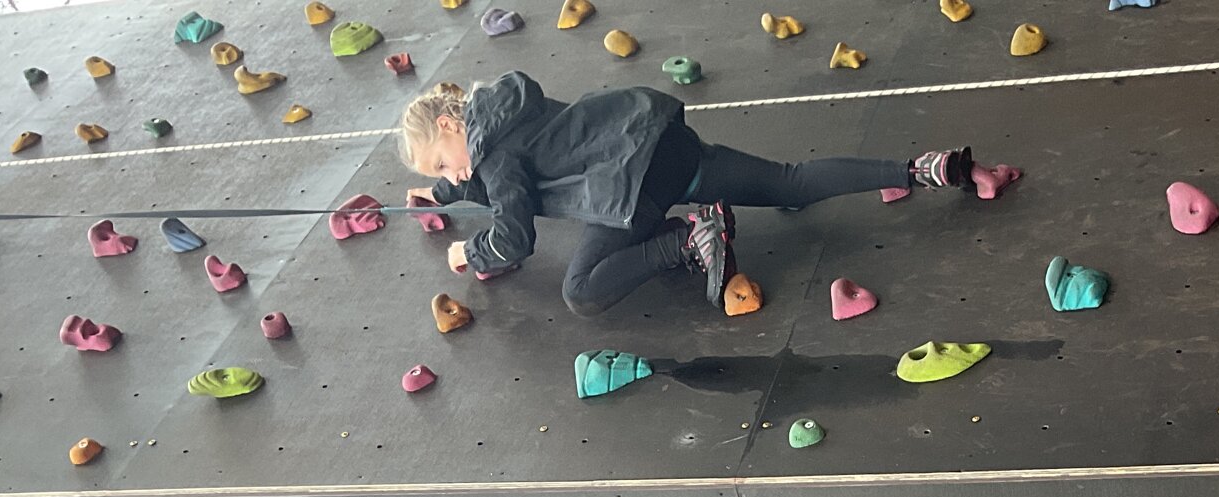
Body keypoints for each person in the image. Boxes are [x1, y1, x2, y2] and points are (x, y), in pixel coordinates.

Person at [397, 73, 984, 315]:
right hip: (668, 150)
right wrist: (445, 187)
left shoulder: (494, 158)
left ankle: (687, 243)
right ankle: (923, 169)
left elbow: (516, 232)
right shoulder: (502, 115)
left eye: (443, 160)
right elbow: (494, 174)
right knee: (790, 180)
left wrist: (470, 254)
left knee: (581, 292)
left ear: (452, 128)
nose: (451, 171)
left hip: (633, 184)